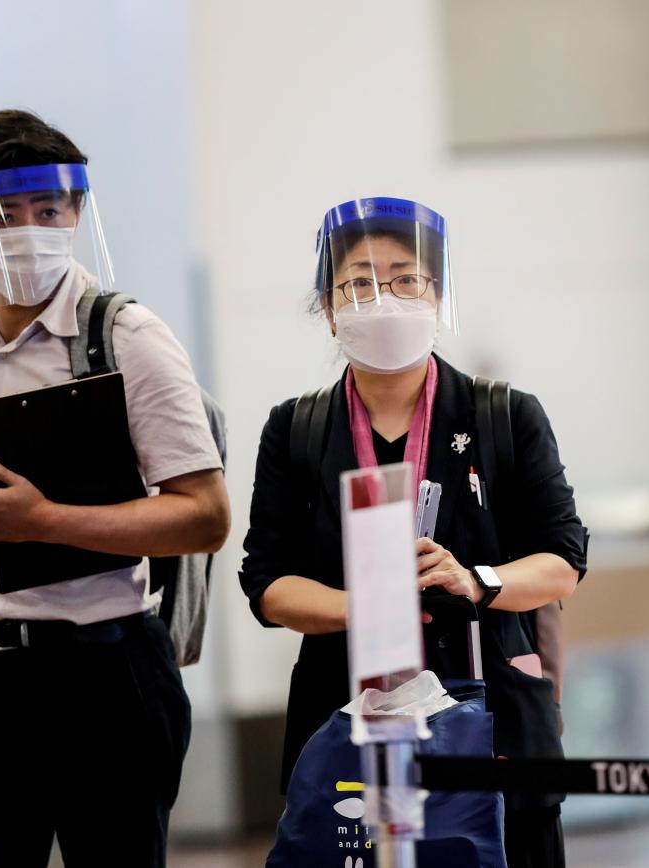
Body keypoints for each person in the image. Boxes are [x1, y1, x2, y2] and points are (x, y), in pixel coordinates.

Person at [239, 196, 587, 868]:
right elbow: (265, 582)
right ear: (328, 303)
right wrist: (360, 608)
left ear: (436, 294)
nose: (383, 298)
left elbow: (563, 559)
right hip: (343, 710)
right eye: (360, 282)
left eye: (405, 279)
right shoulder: (297, 429)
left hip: (491, 713)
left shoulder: (504, 415)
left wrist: (475, 580)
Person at [0, 110, 229, 865]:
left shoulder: (127, 338)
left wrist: (49, 522)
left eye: (48, 211)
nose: (28, 230)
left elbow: (205, 517)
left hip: (108, 674)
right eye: (3, 213)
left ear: (76, 213)